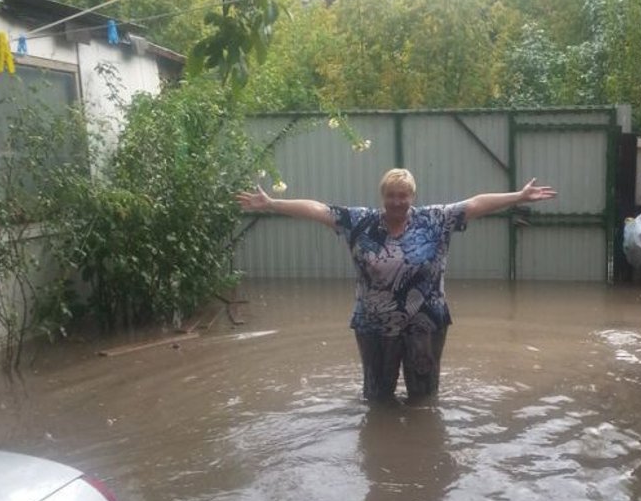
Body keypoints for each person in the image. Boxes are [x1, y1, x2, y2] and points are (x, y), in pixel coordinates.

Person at [236, 168, 556, 403]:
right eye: (391, 195)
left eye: (403, 195)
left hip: (425, 324)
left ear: (412, 196)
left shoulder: (434, 220)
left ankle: (421, 451)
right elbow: (318, 210)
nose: (397, 201)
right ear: (383, 197)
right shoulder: (360, 222)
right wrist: (271, 204)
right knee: (376, 397)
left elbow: (475, 204)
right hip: (374, 325)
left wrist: (518, 197)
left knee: (424, 397)